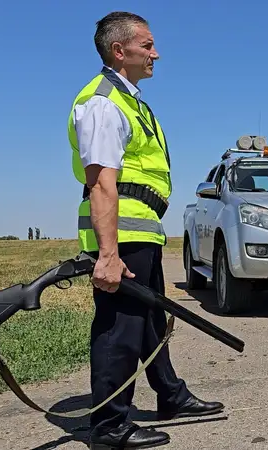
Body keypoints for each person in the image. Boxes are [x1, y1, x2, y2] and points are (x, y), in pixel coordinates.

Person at [68, 11, 224, 448]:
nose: (156, 53)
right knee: (121, 326)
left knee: (152, 318)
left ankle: (170, 396)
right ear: (120, 51)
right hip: (122, 234)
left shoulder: (129, 99)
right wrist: (108, 253)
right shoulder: (102, 102)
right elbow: (101, 182)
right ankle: (109, 425)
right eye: (147, 45)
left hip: (142, 229)